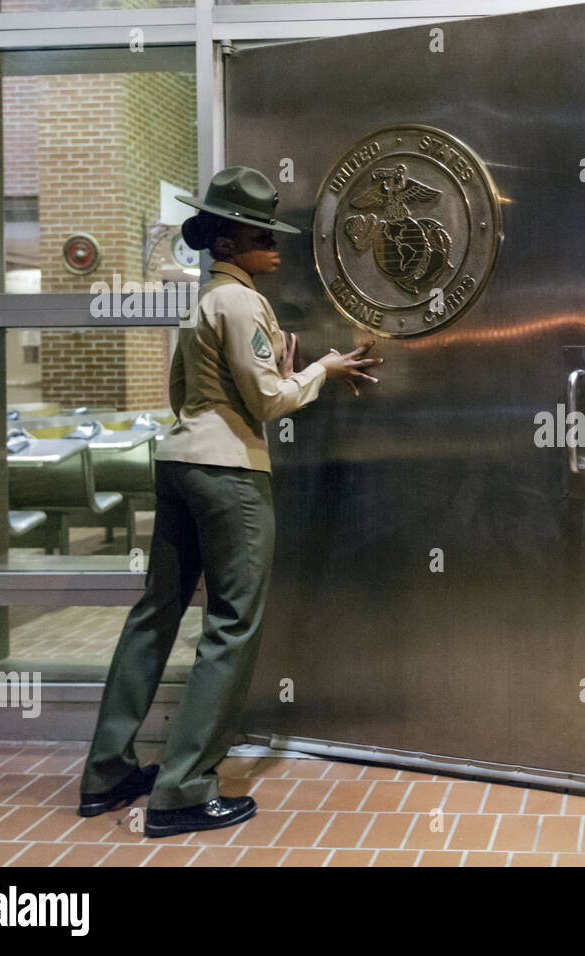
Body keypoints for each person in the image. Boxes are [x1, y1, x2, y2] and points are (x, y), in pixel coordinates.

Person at [76, 166, 381, 838]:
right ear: (224, 242)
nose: (274, 244)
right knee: (232, 624)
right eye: (259, 233)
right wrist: (322, 370)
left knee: (154, 615)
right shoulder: (242, 305)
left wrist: (278, 369)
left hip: (179, 462)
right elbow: (268, 401)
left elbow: (188, 393)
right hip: (228, 475)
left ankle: (107, 773)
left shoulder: (203, 304)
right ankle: (183, 790)